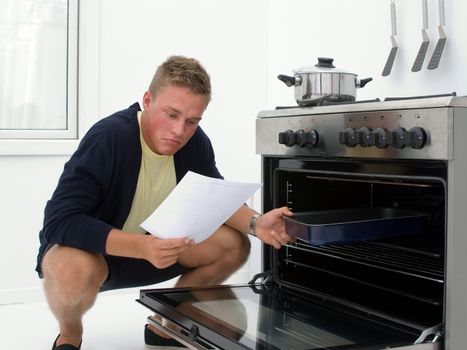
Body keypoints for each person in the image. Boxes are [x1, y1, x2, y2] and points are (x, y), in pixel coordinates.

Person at [36, 55, 294, 350]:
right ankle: (70, 334)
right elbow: (59, 221)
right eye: (171, 115)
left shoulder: (195, 142)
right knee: (69, 267)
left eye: (192, 121)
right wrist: (142, 247)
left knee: (234, 245)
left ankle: (166, 321)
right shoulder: (109, 138)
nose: (179, 131)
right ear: (147, 100)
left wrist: (256, 223)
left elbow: (214, 197)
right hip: (99, 254)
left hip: (156, 250)